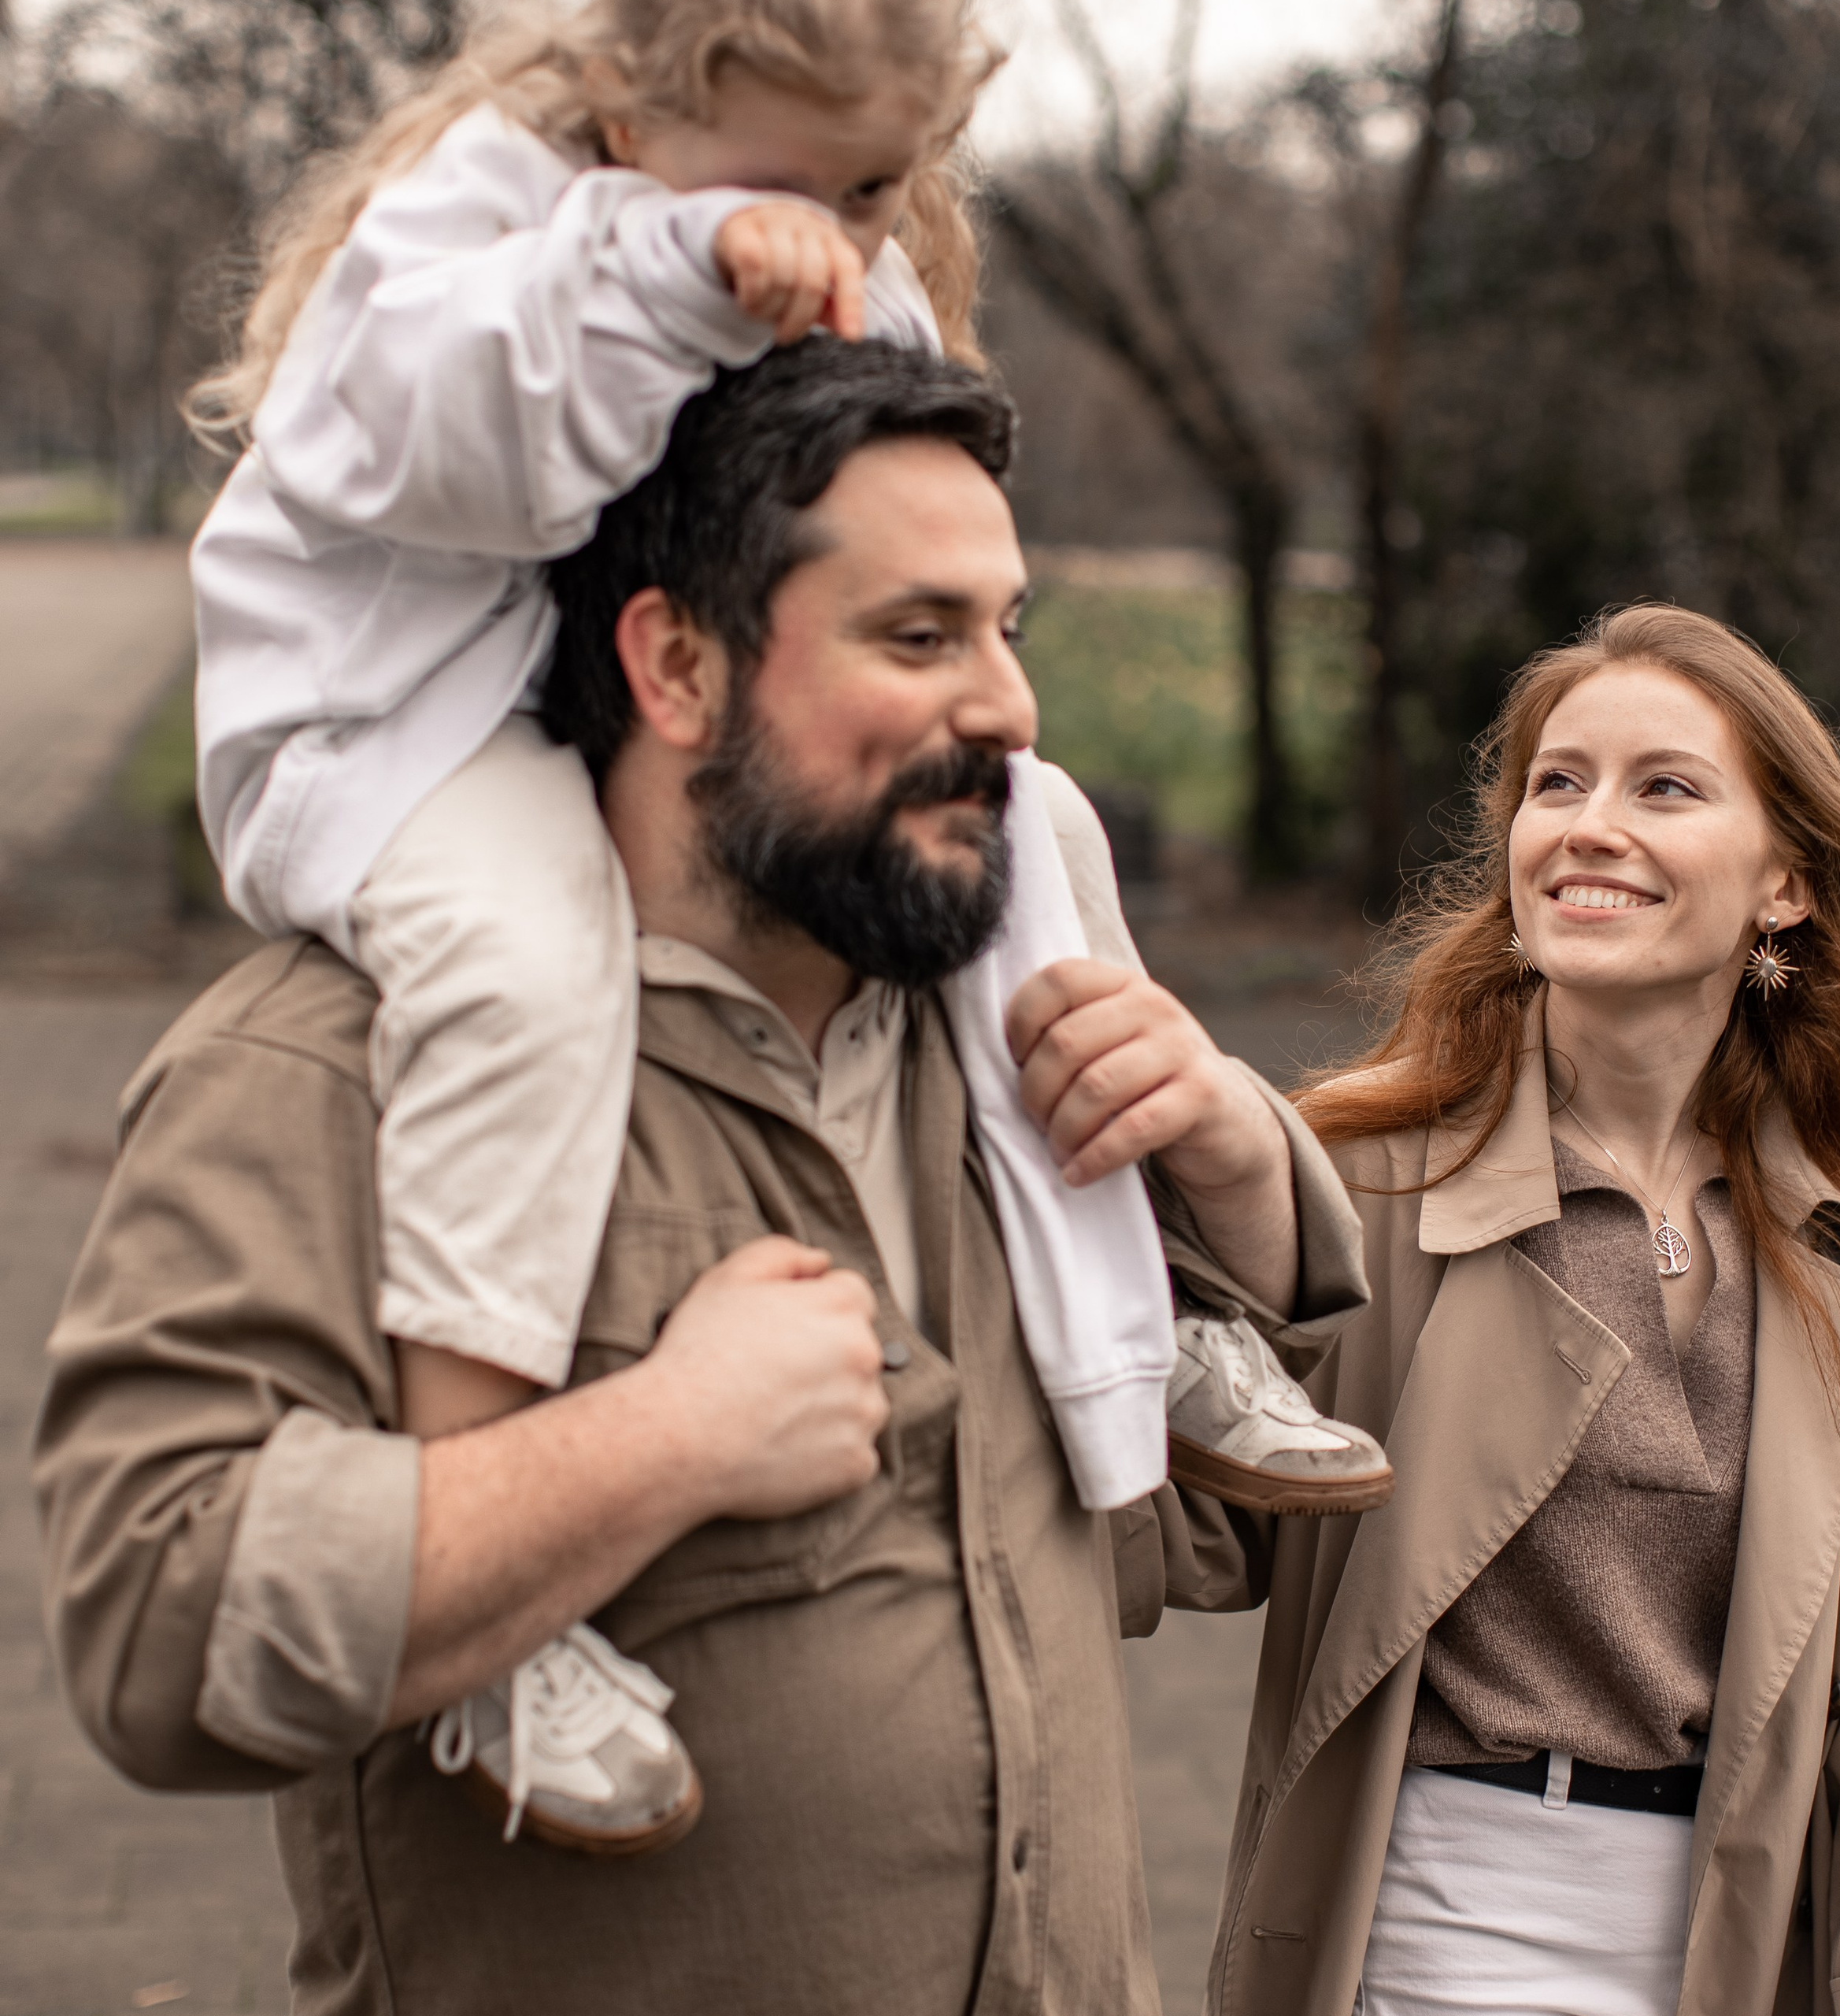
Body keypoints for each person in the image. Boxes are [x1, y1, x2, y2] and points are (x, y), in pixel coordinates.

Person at [35, 338, 1372, 2013]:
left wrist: (1240, 1182)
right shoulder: (335, 1063)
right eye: (917, 636)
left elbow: (1197, 1538)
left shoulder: (1001, 1050)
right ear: (676, 665)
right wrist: (656, 1444)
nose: (1010, 711)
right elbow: (153, 1623)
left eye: (1006, 631)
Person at [184, 0, 1385, 1847]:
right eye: (794, 176)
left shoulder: (836, 244)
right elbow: (466, 460)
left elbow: (888, 487)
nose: (837, 223)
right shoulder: (479, 222)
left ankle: (1144, 1328)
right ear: (635, 97)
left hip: (570, 700)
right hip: (386, 726)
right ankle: (493, 1547)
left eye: (877, 181)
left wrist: (1225, 1160)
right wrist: (682, 266)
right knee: (521, 958)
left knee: (1025, 812)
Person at [1201, 606, 1840, 2015]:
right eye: (1556, 783)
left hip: (1742, 1947)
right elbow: (1189, 1530)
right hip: (1417, 1940)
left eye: (1667, 788)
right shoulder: (1360, 1182)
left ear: (1787, 887)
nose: (1586, 825)